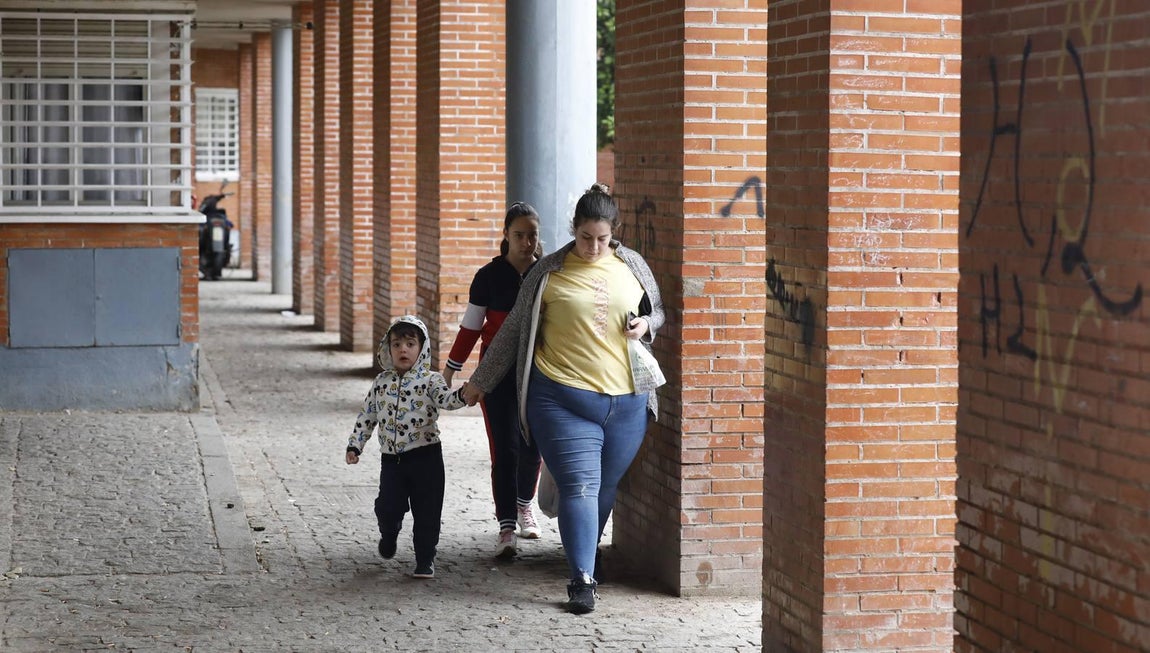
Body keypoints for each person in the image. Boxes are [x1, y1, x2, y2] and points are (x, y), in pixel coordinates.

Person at [462, 184, 665, 614]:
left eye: (602, 239)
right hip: (561, 397)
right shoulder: (548, 272)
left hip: (626, 401)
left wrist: (647, 324)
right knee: (580, 485)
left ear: (615, 235)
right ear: (573, 230)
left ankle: (586, 555)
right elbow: (515, 329)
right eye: (585, 237)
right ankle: (582, 579)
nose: (593, 247)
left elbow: (658, 311)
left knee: (605, 486)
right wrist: (480, 380)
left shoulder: (633, 265)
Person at [444, 202, 544, 559]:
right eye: (518, 234)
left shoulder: (545, 275)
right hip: (496, 376)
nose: (526, 242)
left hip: (537, 371)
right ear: (505, 235)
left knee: (533, 445)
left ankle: (524, 506)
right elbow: (471, 328)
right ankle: (506, 526)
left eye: (532, 234)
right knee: (504, 448)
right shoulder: (488, 276)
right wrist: (450, 370)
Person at [345, 315, 468, 580]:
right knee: (387, 507)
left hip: (427, 459)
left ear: (421, 349)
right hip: (393, 462)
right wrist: (356, 444)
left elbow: (447, 400)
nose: (403, 349)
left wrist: (463, 395)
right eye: (397, 344)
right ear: (387, 349)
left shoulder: (431, 381)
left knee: (428, 511)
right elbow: (368, 415)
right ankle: (389, 533)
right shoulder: (381, 382)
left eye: (410, 344)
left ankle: (425, 559)